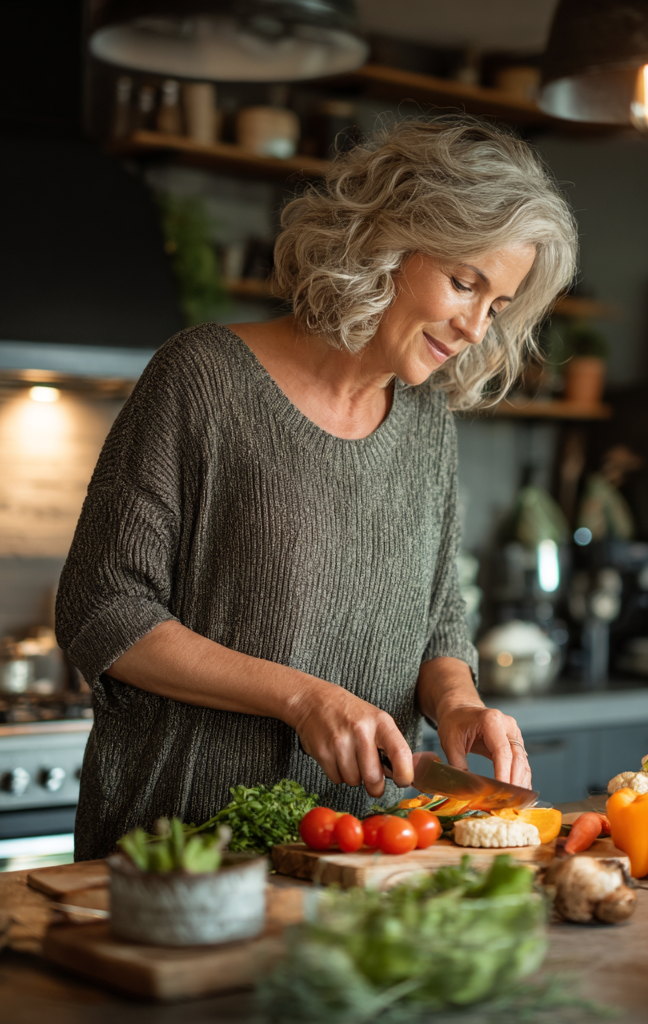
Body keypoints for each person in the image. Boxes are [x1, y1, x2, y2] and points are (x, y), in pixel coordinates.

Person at [56, 116, 578, 860]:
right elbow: (101, 611)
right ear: (387, 242)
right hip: (185, 850)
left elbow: (437, 623)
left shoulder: (427, 421)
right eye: (464, 283)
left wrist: (458, 701)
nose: (474, 329)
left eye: (496, 307)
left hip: (368, 849)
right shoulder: (202, 380)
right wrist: (303, 700)